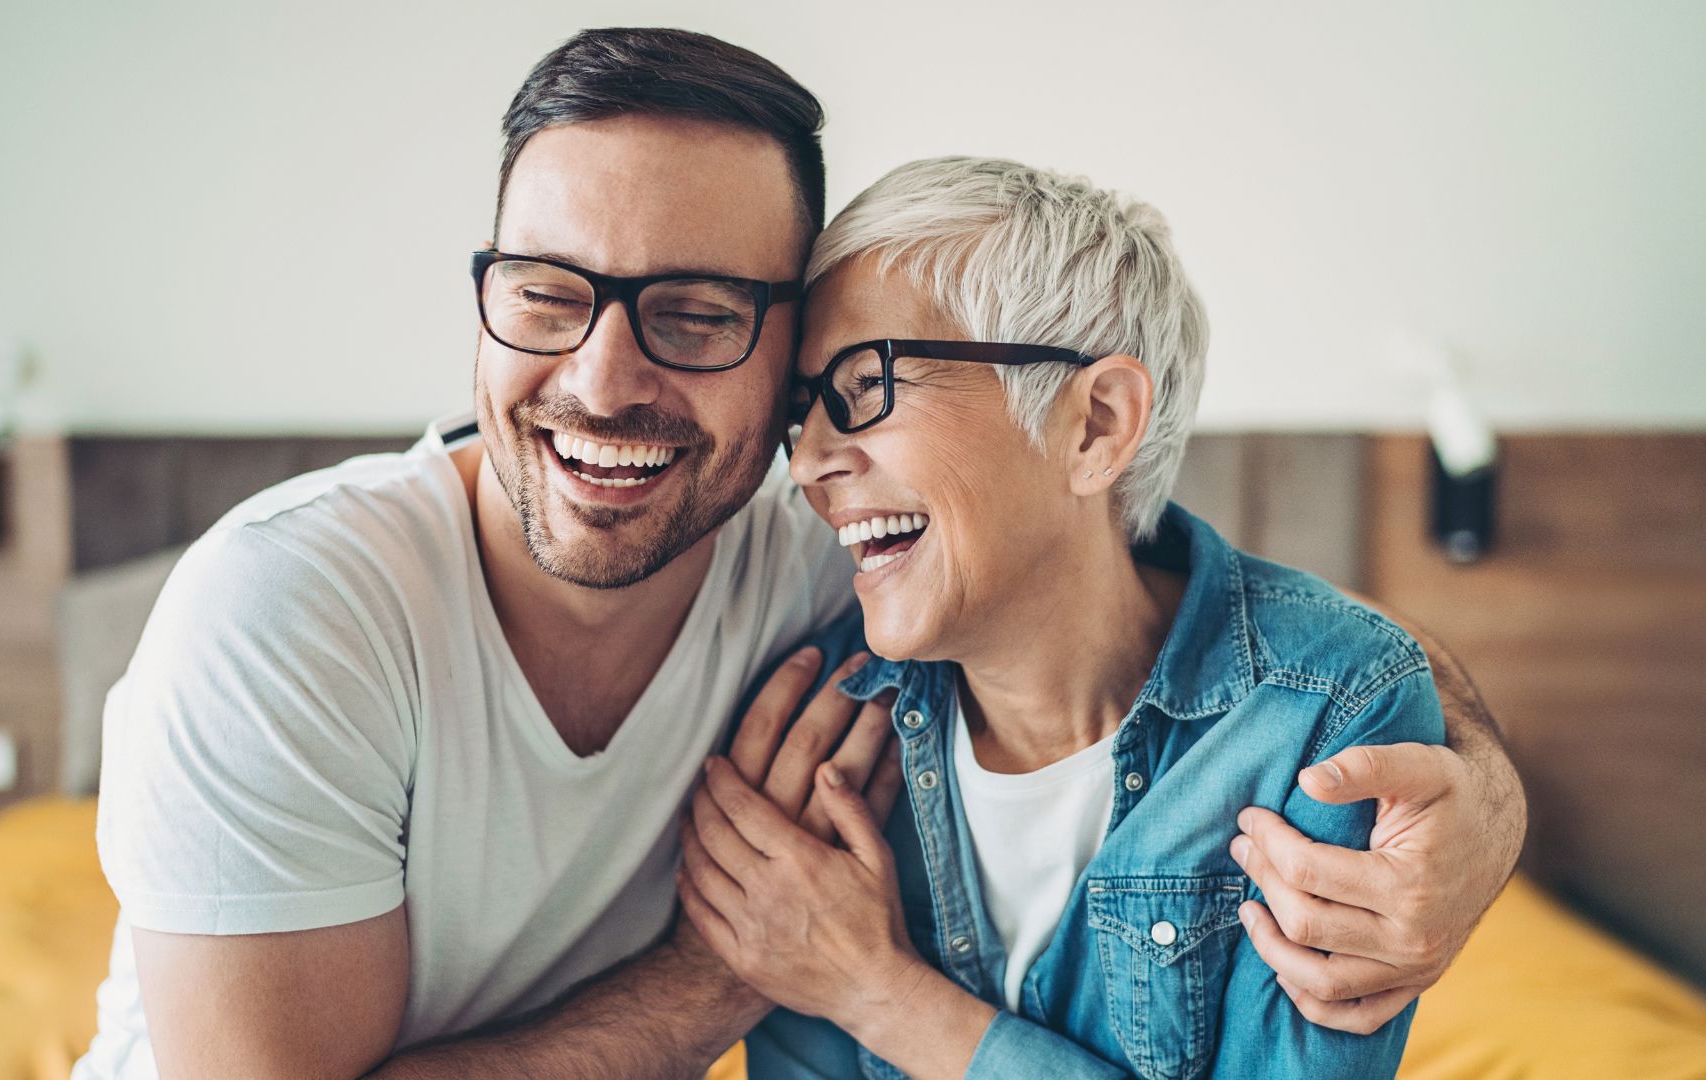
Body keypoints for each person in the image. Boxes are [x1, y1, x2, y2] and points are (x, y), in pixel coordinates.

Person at [74, 28, 1526, 1080]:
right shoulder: (297, 611)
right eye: (545, 293)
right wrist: (729, 975)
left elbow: (1210, 626)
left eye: (698, 314)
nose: (599, 379)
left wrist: (1485, 804)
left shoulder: (848, 590)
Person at [678, 157, 1457, 1079]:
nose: (807, 460)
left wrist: (876, 992)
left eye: (863, 384)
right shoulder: (827, 722)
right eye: (800, 411)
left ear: (1095, 425)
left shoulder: (1326, 718)